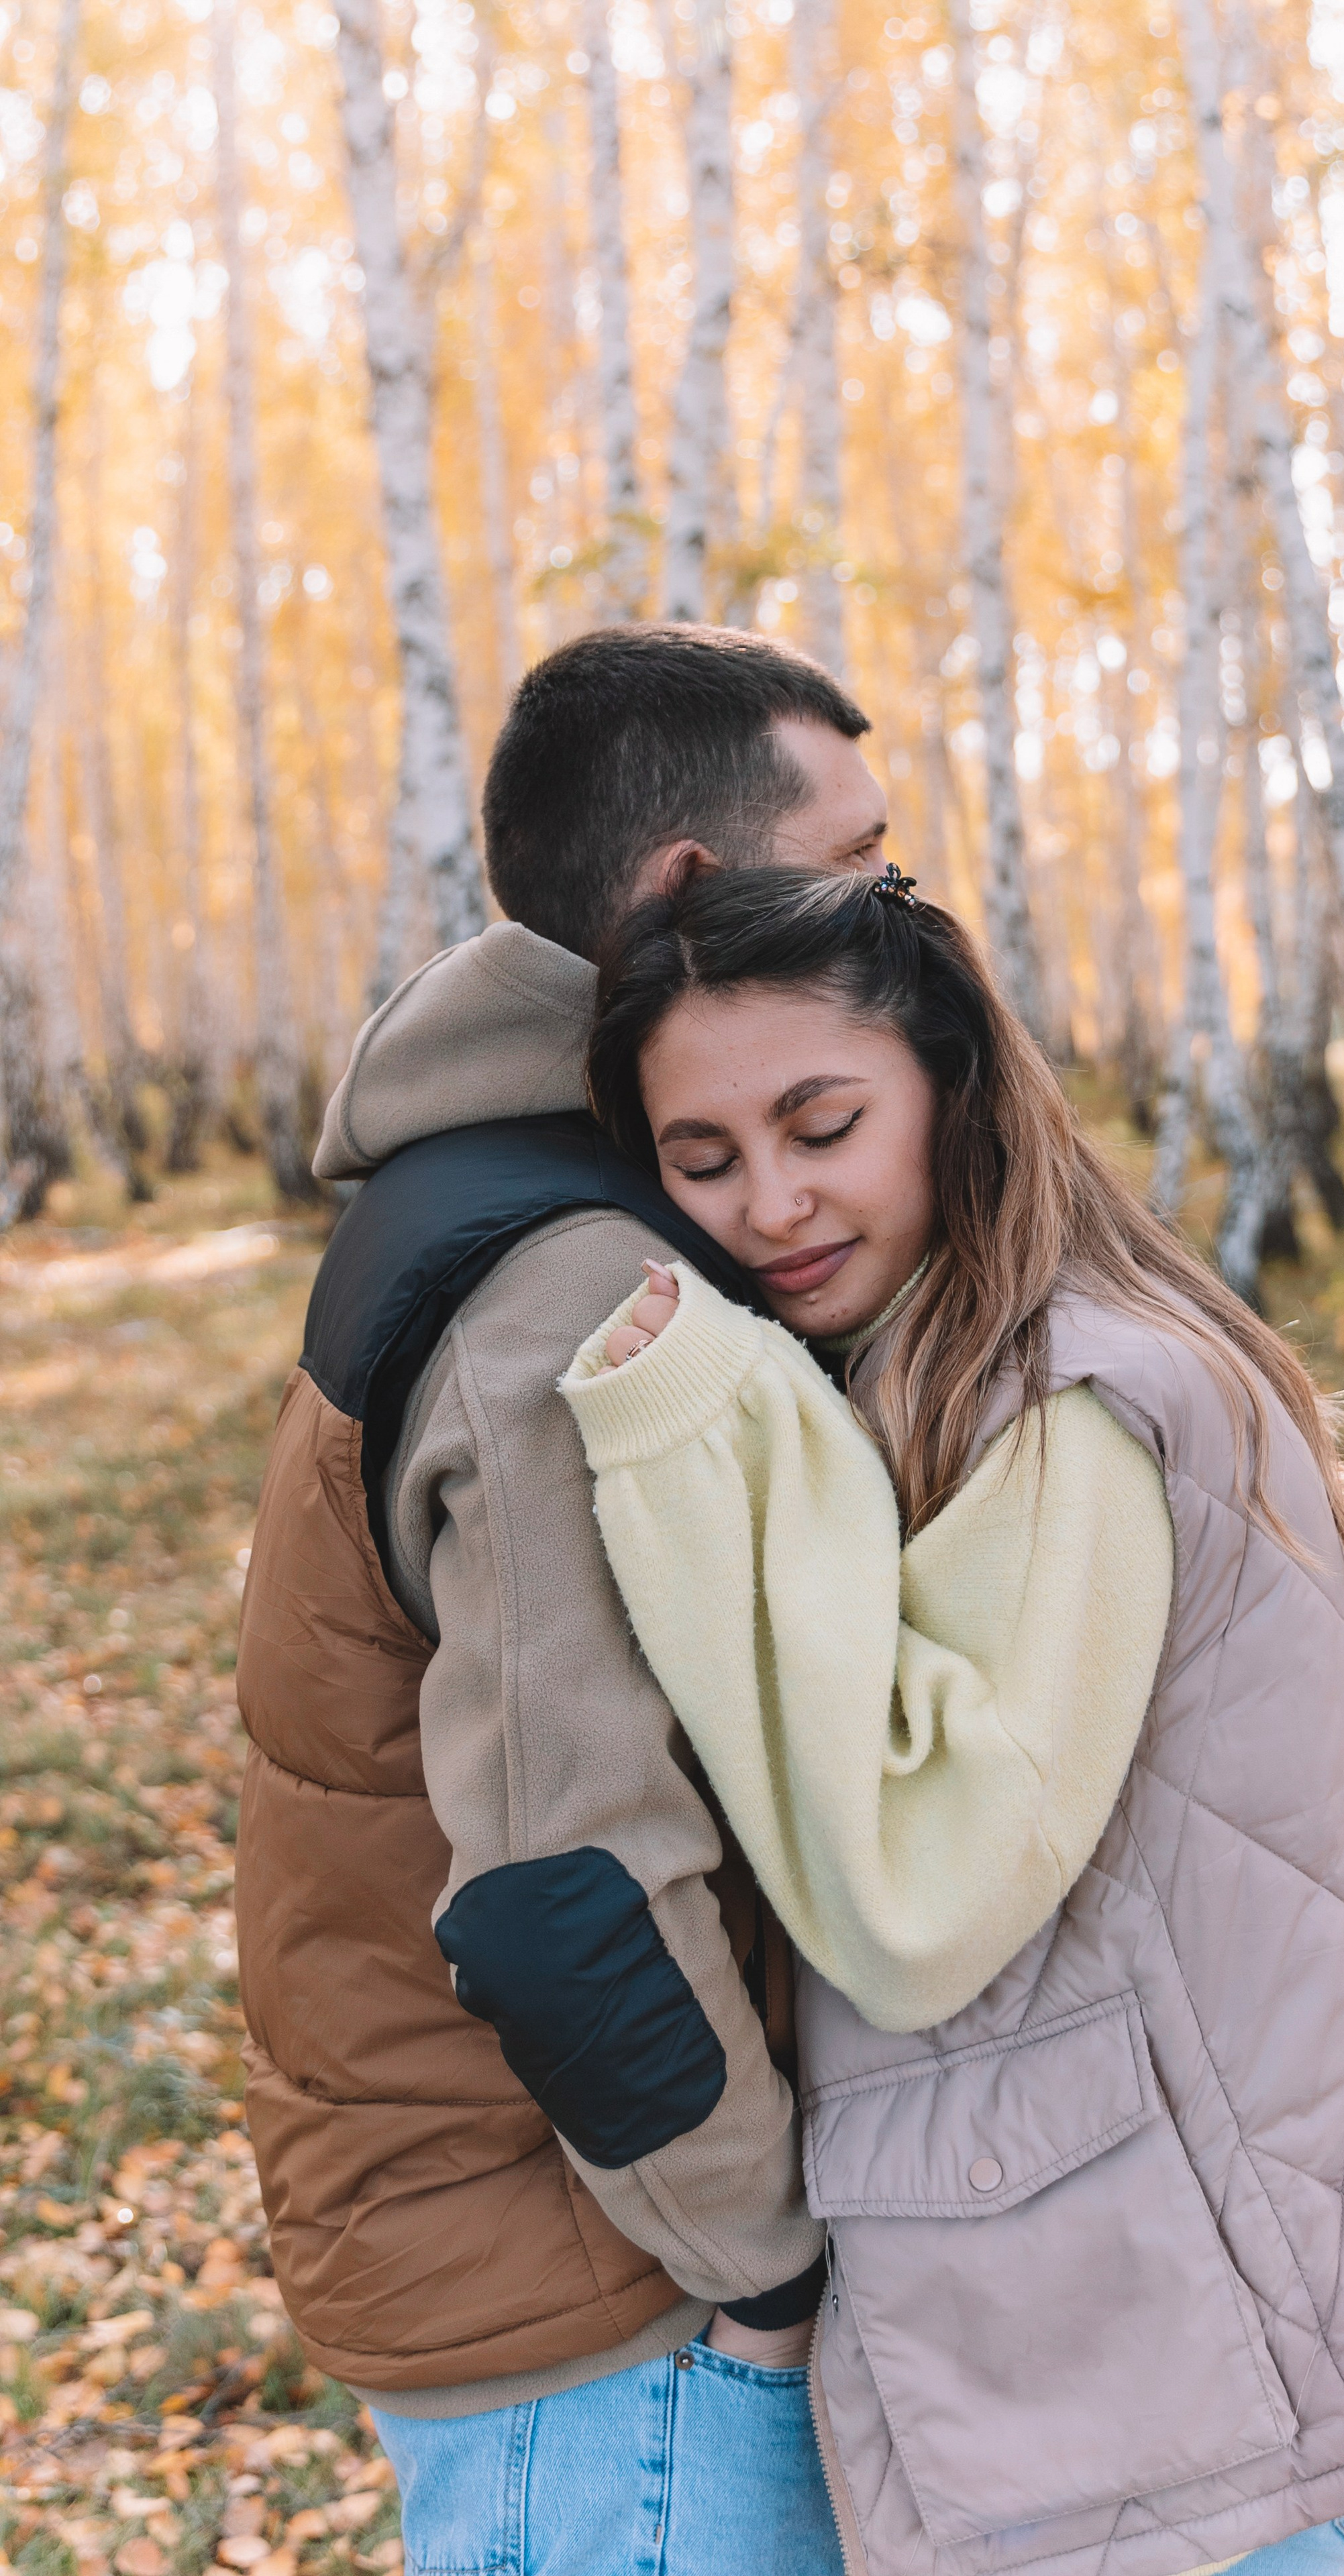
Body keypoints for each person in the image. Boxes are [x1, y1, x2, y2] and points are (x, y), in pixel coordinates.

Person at [558, 862, 1344, 2576]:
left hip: (1198, 2366)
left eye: (824, 1124)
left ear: (951, 1091)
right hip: (1186, 2318)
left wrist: (688, 1425)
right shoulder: (982, 1363)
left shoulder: (1066, 1411)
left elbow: (914, 1898)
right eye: (702, 1159)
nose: (774, 1204)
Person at [233, 627, 889, 2576]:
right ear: (696, 894)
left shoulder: (500, 1182)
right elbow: (560, 1888)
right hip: (614, 2316)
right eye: (861, 865)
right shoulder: (563, 1295)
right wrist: (765, 2274)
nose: (901, 917)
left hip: (551, 2265)